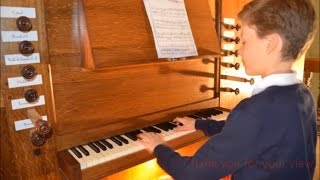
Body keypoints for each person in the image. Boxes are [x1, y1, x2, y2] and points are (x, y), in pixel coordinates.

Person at [137, 0, 318, 179]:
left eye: (244, 41)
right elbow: (254, 131)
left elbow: (190, 174)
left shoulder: (255, 111)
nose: (239, 51)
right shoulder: (303, 95)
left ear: (270, 44)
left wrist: (159, 147)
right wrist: (200, 124)